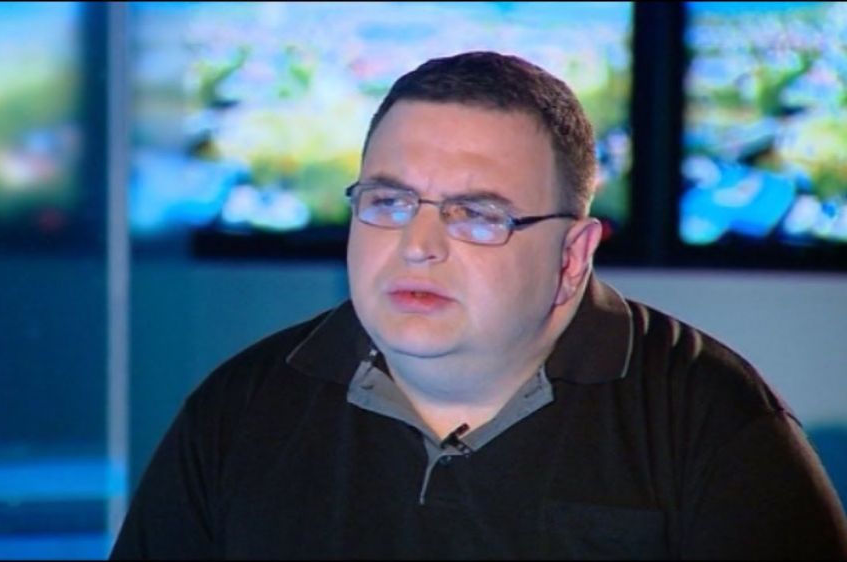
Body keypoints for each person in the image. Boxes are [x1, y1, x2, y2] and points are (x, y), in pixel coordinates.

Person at [111, 51, 847, 559]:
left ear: (572, 256)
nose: (418, 246)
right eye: (389, 202)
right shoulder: (241, 409)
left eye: (477, 215)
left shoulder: (714, 426)